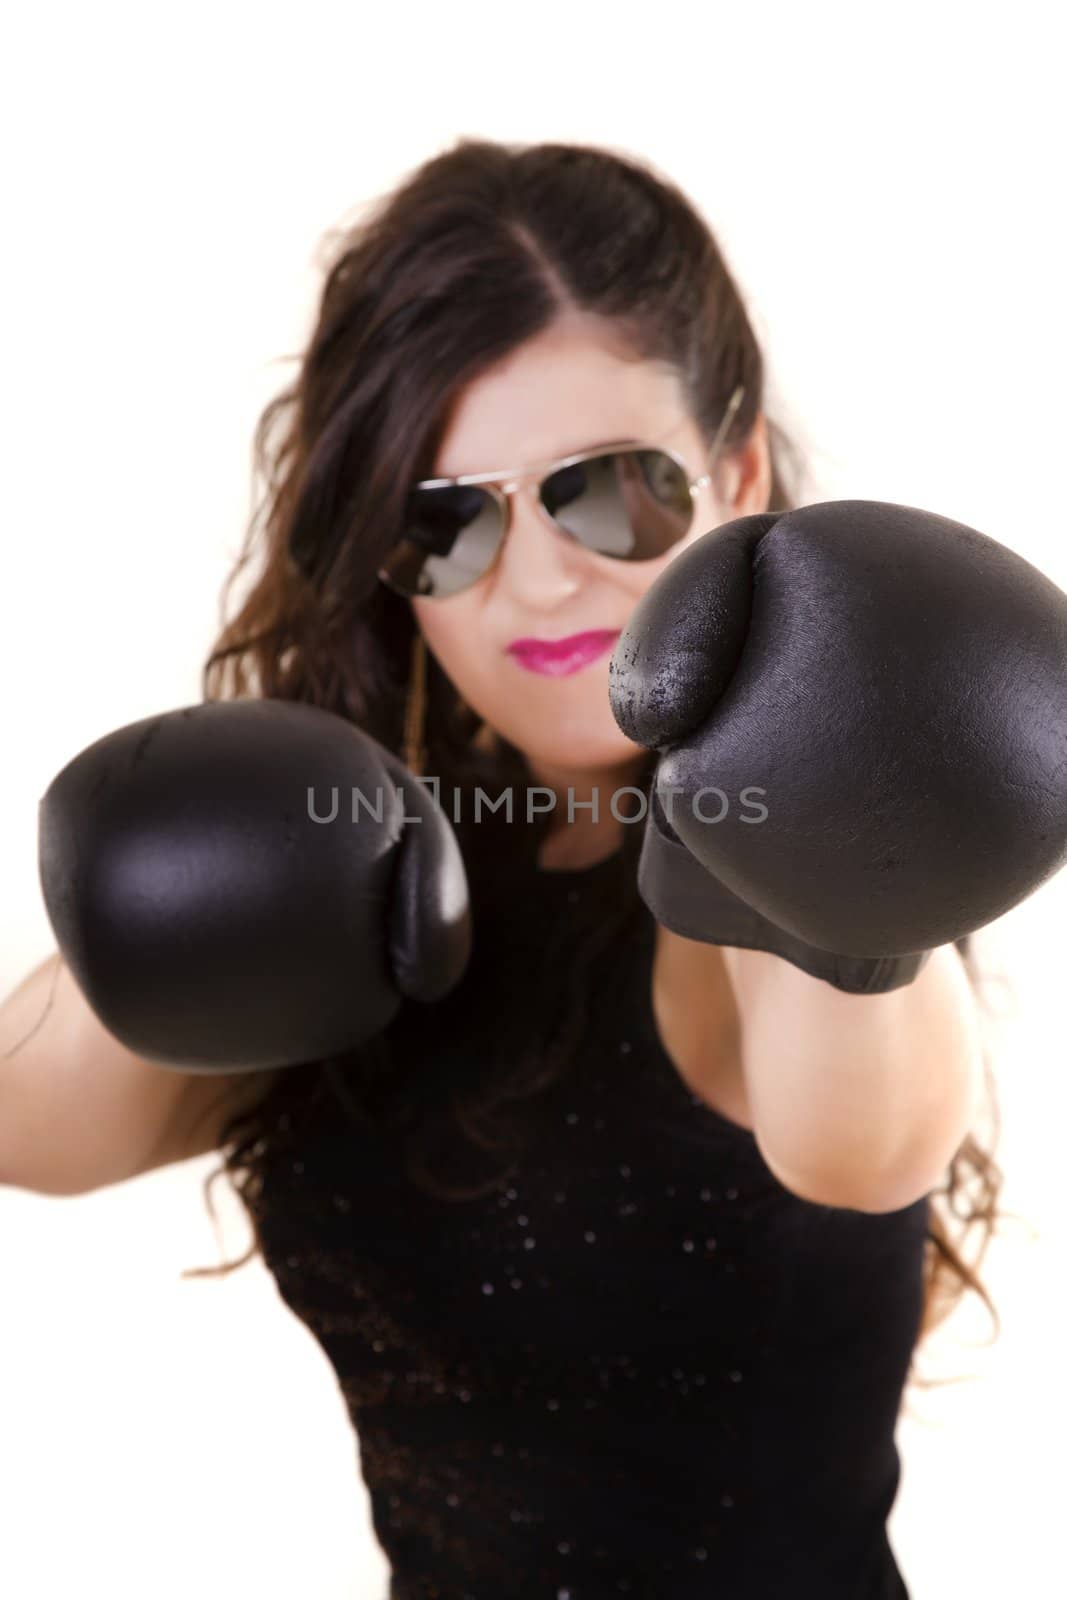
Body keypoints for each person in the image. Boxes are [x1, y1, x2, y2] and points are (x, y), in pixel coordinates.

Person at [4, 137, 1038, 1598]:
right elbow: (30, 1129)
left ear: (733, 473)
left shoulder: (771, 852)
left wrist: (856, 892)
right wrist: (188, 895)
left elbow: (862, 1148)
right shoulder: (361, 846)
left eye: (609, 491)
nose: (541, 577)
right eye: (448, 522)